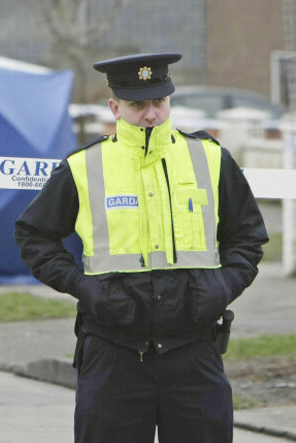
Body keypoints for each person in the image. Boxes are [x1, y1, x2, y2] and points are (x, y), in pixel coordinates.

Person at [14, 53, 269, 443]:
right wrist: (84, 288)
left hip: (194, 351)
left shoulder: (211, 158)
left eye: (159, 102)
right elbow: (34, 235)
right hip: (113, 353)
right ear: (115, 107)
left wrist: (224, 285)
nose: (151, 114)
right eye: (138, 105)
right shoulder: (84, 166)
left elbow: (248, 235)